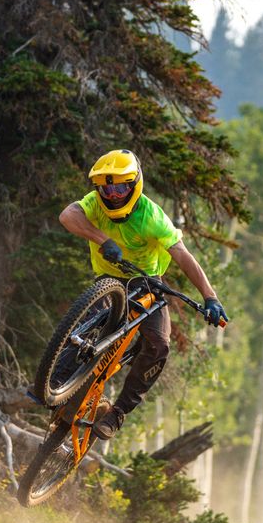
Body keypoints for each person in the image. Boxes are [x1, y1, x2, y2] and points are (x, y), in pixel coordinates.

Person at [58, 149, 228, 440]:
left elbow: (183, 256)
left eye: (120, 187)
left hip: (148, 283)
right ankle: (59, 384)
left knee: (159, 344)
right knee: (87, 329)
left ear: (134, 184)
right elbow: (67, 215)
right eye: (106, 187)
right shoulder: (95, 203)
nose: (112, 194)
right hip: (108, 279)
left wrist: (210, 297)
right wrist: (103, 240)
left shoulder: (152, 217)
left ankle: (117, 413)